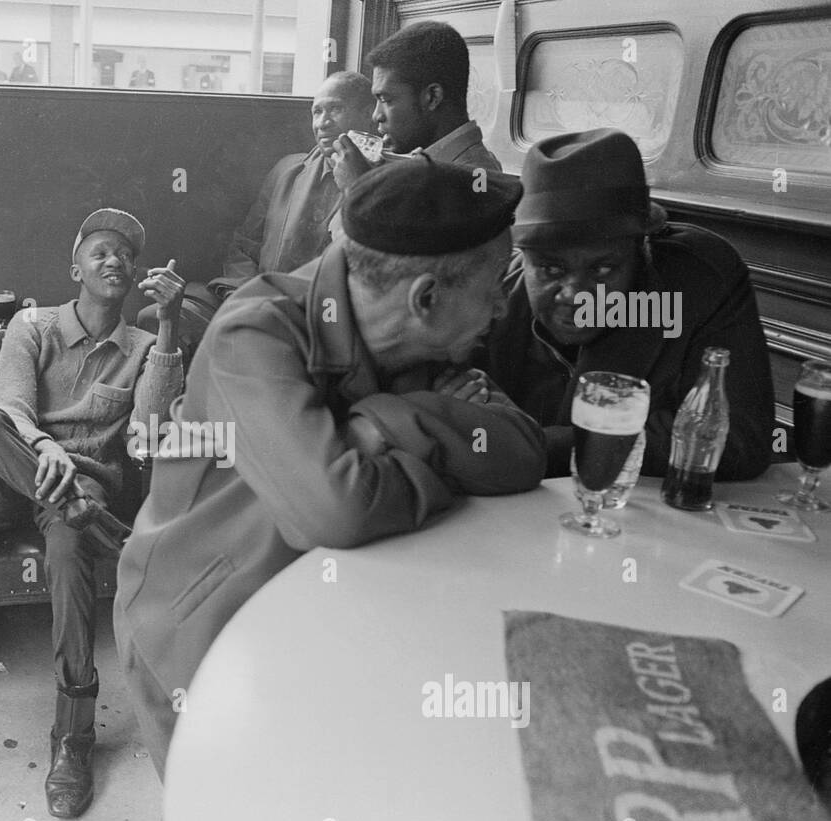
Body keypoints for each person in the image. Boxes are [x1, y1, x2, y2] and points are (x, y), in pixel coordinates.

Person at [115, 158, 547, 781]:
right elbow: (334, 510)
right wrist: (437, 431)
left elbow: (523, 450)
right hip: (197, 629)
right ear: (425, 298)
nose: (504, 310)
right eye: (492, 287)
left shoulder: (420, 336)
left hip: (315, 630)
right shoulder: (254, 333)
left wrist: (387, 420)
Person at [0, 209, 185, 819]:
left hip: (81, 494)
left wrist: (169, 327)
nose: (115, 261)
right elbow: (8, 409)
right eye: (100, 250)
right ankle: (108, 531)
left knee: (70, 540)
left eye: (125, 255)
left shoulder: (143, 347)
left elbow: (150, 439)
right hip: (14, 475)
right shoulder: (32, 325)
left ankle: (73, 737)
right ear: (74, 266)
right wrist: (46, 448)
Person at [476, 128, 775, 480]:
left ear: (642, 250)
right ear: (520, 257)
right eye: (550, 269)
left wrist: (541, 445)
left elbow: (740, 439)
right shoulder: (491, 293)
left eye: (602, 269)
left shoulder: (699, 281)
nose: (576, 295)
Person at [137, 71, 374, 362]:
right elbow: (244, 244)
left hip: (323, 316)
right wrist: (248, 297)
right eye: (317, 111)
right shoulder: (288, 170)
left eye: (335, 109)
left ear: (368, 114)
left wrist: (358, 187)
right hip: (258, 299)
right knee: (159, 317)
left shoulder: (380, 181)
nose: (322, 123)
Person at [331, 22, 500, 200]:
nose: (376, 115)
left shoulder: (474, 176)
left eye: (386, 100)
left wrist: (358, 189)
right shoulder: (436, 164)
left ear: (432, 97)